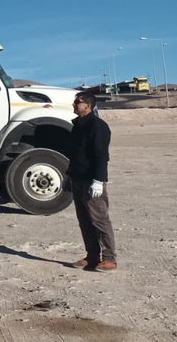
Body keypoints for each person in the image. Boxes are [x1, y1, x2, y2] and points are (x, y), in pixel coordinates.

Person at [66, 92, 117, 272]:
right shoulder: (78, 126)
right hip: (77, 179)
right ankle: (92, 256)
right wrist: (69, 176)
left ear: (88, 105)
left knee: (99, 219)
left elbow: (101, 155)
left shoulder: (98, 126)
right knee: (84, 220)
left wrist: (98, 180)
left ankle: (109, 258)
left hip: (91, 180)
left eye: (77, 102)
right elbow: (75, 154)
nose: (74, 105)